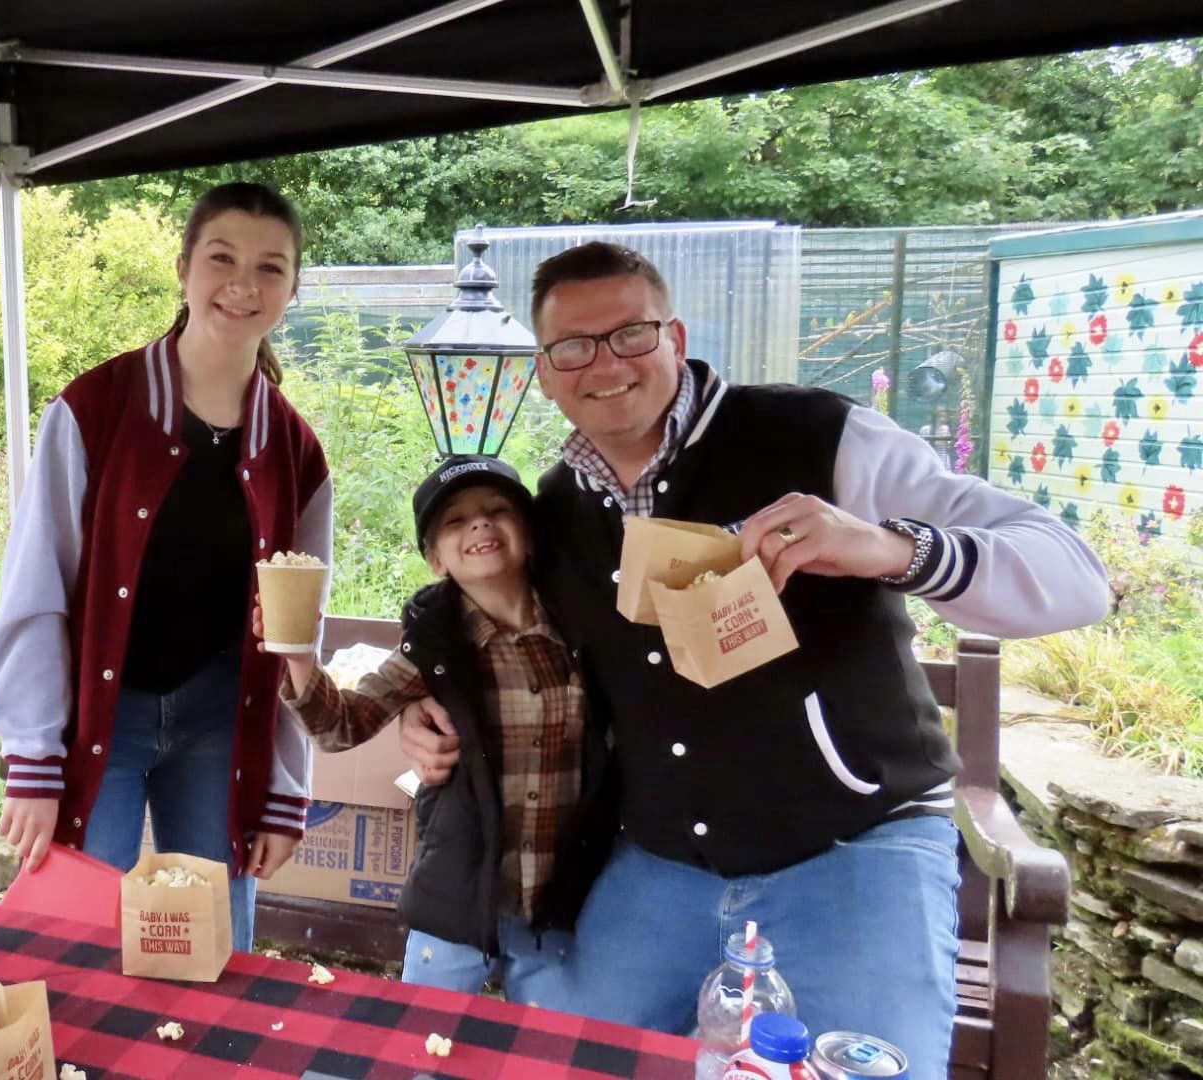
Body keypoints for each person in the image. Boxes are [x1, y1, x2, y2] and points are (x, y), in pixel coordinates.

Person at [397, 242, 1108, 1069]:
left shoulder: (816, 439)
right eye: (573, 348)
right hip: (657, 865)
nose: (606, 364)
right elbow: (497, 646)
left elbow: (1076, 576)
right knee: (571, 1060)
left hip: (850, 849)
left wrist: (887, 547)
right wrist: (431, 712)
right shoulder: (553, 512)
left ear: (675, 335)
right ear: (548, 374)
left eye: (631, 333)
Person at [0, 182, 332, 952]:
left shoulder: (296, 452)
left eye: (271, 268)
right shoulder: (93, 409)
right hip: (100, 714)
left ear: (293, 289)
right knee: (68, 932)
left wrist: (283, 787)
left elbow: (292, 632)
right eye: (222, 259)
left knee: (214, 945)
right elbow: (36, 587)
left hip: (220, 718)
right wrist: (33, 761)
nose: (244, 285)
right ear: (182, 270)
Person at [259, 455, 616, 1005]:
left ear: (531, 533)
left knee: (549, 1045)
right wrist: (301, 658)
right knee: (424, 1037)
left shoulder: (581, 631)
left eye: (498, 510)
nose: (479, 524)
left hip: (559, 898)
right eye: (456, 521)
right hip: (458, 893)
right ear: (436, 559)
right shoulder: (432, 649)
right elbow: (343, 727)